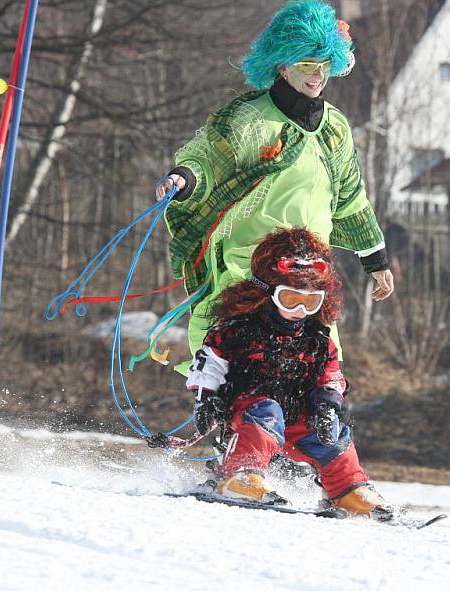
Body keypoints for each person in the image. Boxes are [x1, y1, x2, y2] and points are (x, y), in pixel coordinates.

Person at [155, 0, 394, 367]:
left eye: (325, 65)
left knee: (318, 361)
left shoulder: (334, 128)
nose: (317, 75)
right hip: (248, 262)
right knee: (240, 355)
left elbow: (350, 197)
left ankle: (317, 419)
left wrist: (375, 260)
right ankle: (228, 407)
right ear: (282, 65)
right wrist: (184, 178)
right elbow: (207, 159)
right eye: (306, 64)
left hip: (310, 268)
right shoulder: (249, 118)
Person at [185, 227, 394, 520]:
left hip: (298, 411)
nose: (299, 310)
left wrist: (328, 405)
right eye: (290, 299)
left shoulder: (318, 341)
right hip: (250, 408)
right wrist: (205, 398)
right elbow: (210, 363)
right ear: (267, 292)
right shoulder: (238, 332)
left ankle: (348, 490)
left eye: (310, 302)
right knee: (266, 413)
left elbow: (331, 375)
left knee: (333, 434)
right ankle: (241, 477)